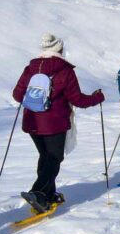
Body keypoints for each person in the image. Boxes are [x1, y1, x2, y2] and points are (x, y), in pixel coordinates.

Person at [12, 33, 103, 212]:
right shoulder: (64, 70)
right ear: (60, 49)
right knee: (54, 158)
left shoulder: (30, 68)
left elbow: (17, 95)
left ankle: (49, 194)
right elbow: (77, 100)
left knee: (46, 156)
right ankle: (38, 193)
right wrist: (97, 98)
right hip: (54, 123)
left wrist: (34, 102)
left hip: (32, 121)